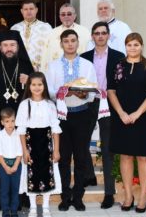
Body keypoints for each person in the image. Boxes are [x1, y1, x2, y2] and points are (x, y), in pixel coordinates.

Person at [107, 33, 146, 212]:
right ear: (125, 47)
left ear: (141, 46)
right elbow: (111, 90)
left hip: (143, 118)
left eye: (136, 44)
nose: (133, 48)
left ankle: (143, 196)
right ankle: (128, 195)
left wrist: (137, 113)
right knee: (126, 156)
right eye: (129, 45)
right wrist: (121, 113)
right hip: (122, 118)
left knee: (143, 157)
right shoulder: (118, 65)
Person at [46, 30, 98, 211]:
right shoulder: (53, 66)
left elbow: (93, 92)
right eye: (66, 41)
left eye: (73, 41)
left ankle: (78, 196)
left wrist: (83, 93)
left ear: (78, 43)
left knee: (81, 156)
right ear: (61, 44)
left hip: (82, 114)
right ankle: (64, 196)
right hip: (61, 116)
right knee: (63, 157)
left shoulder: (87, 65)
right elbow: (49, 91)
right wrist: (65, 91)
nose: (69, 44)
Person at [81, 21, 124, 208]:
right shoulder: (84, 57)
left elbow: (122, 83)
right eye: (96, 33)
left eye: (103, 33)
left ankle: (109, 193)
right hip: (87, 103)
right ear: (92, 36)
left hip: (110, 104)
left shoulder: (118, 56)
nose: (100, 36)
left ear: (108, 36)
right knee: (81, 142)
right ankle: (89, 175)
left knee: (108, 150)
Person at [16, 72, 62, 217]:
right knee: (31, 174)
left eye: (39, 85)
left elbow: (55, 129)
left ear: (44, 86)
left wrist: (56, 150)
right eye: (33, 85)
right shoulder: (24, 105)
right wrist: (24, 150)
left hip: (47, 143)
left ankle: (46, 206)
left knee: (47, 174)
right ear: (29, 86)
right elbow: (21, 130)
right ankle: (33, 207)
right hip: (30, 143)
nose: (36, 88)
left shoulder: (50, 105)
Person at [0, 30, 33, 122]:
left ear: (18, 46)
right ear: (0, 48)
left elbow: (38, 90)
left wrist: (29, 82)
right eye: (5, 45)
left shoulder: (26, 65)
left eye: (12, 45)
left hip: (21, 112)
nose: (9, 49)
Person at [43, 4, 90, 73]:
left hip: (80, 70)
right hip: (58, 71)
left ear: (75, 16)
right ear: (59, 17)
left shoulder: (85, 32)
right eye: (63, 14)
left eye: (69, 14)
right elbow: (46, 55)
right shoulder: (52, 33)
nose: (66, 17)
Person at [0, 107, 23, 217]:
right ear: (2, 122)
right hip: (3, 165)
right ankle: (5, 210)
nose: (10, 124)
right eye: (7, 121)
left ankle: (14, 210)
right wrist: (6, 167)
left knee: (15, 189)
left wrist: (15, 166)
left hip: (16, 164)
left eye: (12, 120)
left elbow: (20, 152)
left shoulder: (18, 135)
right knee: (4, 189)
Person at [11, 0, 53, 72]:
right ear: (21, 11)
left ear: (36, 10)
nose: (28, 11)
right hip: (19, 68)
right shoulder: (15, 28)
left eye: (31, 9)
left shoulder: (46, 27)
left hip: (40, 68)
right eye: (26, 9)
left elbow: (51, 48)